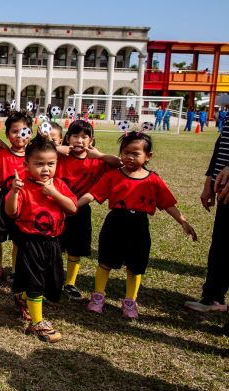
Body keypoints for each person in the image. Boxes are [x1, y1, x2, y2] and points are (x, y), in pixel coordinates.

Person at [78, 132, 197, 319]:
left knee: (135, 266)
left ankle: (130, 301)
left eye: (135, 153)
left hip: (139, 227)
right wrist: (73, 206)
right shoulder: (113, 175)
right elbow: (93, 194)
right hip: (115, 224)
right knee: (105, 262)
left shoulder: (153, 180)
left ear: (148, 156)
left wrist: (183, 221)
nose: (129, 157)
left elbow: (167, 204)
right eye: (125, 152)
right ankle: (98, 296)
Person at [6, 136, 77, 342]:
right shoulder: (22, 186)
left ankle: (24, 298)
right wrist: (14, 192)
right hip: (31, 242)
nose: (45, 169)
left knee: (53, 283)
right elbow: (11, 212)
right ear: (26, 165)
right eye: (39, 164)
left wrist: (54, 193)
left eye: (51, 164)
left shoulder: (59, 185)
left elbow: (72, 208)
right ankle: (37, 323)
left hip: (54, 242)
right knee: (35, 281)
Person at [56, 120, 120, 300]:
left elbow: (121, 164)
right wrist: (56, 149)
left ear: (91, 140)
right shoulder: (61, 157)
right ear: (68, 138)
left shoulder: (97, 162)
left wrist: (100, 155)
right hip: (57, 209)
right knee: (55, 247)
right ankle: (54, 279)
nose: (79, 140)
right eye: (75, 136)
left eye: (84, 137)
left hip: (81, 210)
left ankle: (70, 283)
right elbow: (36, 154)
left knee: (76, 248)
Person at [0, 112, 33, 293]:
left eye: (23, 131)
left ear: (31, 133)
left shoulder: (34, 156)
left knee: (20, 239)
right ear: (8, 134)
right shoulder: (1, 155)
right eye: (14, 131)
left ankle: (16, 271)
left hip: (26, 202)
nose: (19, 135)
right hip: (4, 200)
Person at [185, 115, 229, 327]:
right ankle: (213, 296)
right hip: (224, 185)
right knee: (221, 243)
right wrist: (210, 179)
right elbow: (223, 142)